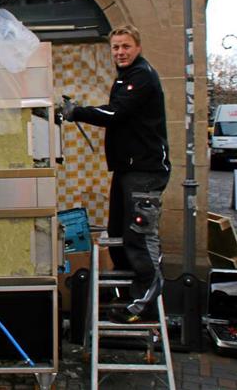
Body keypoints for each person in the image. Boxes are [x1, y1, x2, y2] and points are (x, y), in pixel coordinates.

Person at [62, 25, 171, 324]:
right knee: (118, 233)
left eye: (125, 46)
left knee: (139, 235)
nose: (120, 52)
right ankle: (127, 295)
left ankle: (145, 299)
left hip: (145, 170)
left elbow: (116, 113)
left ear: (137, 47)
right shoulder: (126, 76)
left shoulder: (141, 76)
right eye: (115, 48)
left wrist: (78, 112)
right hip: (128, 169)